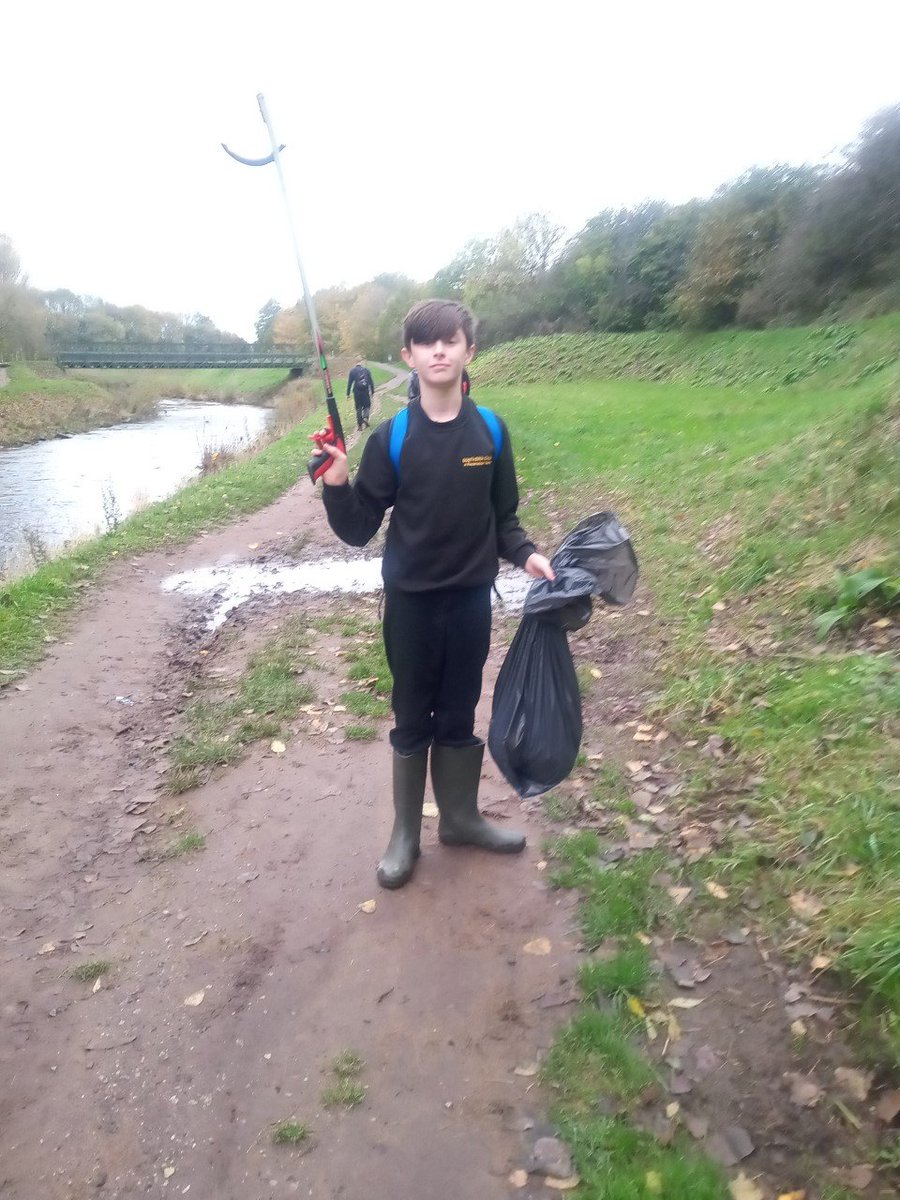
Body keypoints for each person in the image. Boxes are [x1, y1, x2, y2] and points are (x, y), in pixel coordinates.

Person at [318, 299, 554, 890]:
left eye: (450, 341)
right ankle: (405, 834)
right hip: (412, 606)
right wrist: (338, 485)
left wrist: (527, 554)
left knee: (458, 710)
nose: (440, 351)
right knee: (411, 713)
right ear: (409, 357)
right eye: (427, 343)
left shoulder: (491, 431)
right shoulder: (393, 438)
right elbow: (357, 528)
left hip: (472, 602)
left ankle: (460, 818)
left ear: (469, 351)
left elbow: (505, 520)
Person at [346, 356, 374, 430]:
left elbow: (349, 383)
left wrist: (348, 394)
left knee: (358, 408)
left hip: (357, 392)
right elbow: (371, 382)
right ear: (361, 362)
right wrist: (372, 391)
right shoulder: (366, 370)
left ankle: (360, 426)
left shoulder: (352, 371)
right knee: (367, 406)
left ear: (355, 362)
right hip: (365, 391)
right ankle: (365, 418)